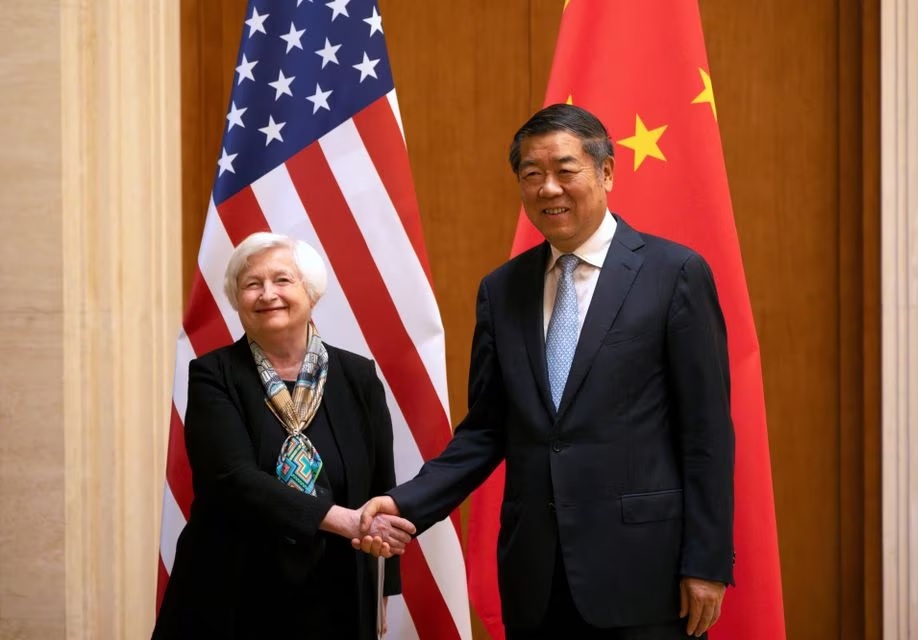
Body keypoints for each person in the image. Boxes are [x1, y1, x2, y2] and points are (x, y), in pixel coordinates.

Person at [356, 104, 735, 639]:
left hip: (644, 573)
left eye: (565, 170)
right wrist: (405, 503)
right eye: (531, 175)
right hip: (535, 576)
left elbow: (707, 434)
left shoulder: (673, 274)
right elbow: (486, 431)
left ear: (605, 172)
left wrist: (707, 561)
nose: (548, 188)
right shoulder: (502, 289)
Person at [154, 232, 415, 640]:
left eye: (282, 280)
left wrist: (383, 587)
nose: (266, 294)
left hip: (340, 591)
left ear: (311, 293)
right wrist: (341, 520)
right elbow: (232, 479)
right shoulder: (212, 375)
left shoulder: (358, 376)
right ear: (237, 299)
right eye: (252, 284)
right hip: (233, 591)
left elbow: (382, 485)